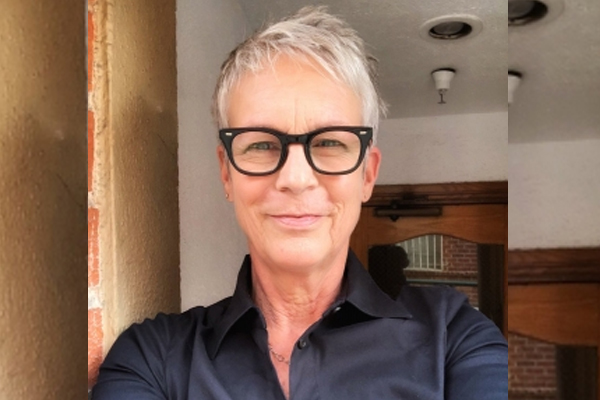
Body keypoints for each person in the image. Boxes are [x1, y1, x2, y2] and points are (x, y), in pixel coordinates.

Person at [92, 6, 507, 399]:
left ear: (367, 174)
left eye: (329, 143)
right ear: (226, 173)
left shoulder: (456, 340)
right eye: (260, 145)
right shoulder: (152, 360)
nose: (295, 179)